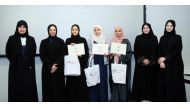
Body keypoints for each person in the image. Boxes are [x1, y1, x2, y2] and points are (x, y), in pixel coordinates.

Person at [6, 20, 38, 102]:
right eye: (20, 27)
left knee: (28, 89)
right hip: (15, 68)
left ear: (27, 28)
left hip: (28, 68)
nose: (22, 29)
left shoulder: (31, 39)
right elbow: (8, 52)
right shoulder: (11, 38)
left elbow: (33, 52)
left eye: (24, 27)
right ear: (17, 28)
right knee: (16, 89)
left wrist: (28, 62)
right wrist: (15, 60)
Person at [157, 20, 186, 102]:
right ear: (165, 26)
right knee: (164, 86)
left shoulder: (178, 37)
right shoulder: (162, 38)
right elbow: (159, 51)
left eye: (171, 26)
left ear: (174, 27)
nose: (169, 27)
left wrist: (165, 58)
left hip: (175, 66)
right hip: (164, 65)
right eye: (167, 25)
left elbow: (177, 51)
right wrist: (161, 61)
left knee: (174, 86)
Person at [132, 23, 158, 102]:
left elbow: (156, 50)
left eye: (147, 28)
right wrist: (143, 60)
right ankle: (142, 98)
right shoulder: (138, 38)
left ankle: (150, 98)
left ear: (150, 29)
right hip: (141, 65)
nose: (146, 29)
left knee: (151, 81)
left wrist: (149, 60)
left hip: (151, 65)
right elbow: (136, 50)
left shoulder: (154, 38)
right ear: (142, 29)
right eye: (144, 28)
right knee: (141, 81)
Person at [40, 24, 66, 102]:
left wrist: (55, 65)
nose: (52, 31)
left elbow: (62, 54)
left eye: (54, 30)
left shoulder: (61, 41)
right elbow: (42, 55)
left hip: (58, 69)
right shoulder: (43, 42)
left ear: (56, 31)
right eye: (51, 30)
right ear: (48, 31)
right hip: (47, 70)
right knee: (48, 90)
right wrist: (51, 65)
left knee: (58, 90)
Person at [65, 24, 89, 101]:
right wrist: (69, 46)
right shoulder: (68, 40)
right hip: (71, 68)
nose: (74, 31)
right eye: (73, 29)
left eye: (76, 29)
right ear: (71, 31)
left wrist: (81, 55)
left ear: (78, 31)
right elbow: (65, 53)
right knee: (71, 86)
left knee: (80, 86)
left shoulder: (83, 40)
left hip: (80, 68)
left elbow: (86, 53)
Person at [109, 26, 132, 102]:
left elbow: (129, 54)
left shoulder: (126, 41)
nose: (118, 32)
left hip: (123, 66)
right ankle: (115, 99)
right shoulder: (112, 42)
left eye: (119, 30)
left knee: (123, 82)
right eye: (116, 31)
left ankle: (123, 99)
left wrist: (121, 55)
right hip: (114, 65)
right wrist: (111, 55)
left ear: (122, 32)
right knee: (115, 82)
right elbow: (110, 56)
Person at [87, 25, 108, 101]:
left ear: (101, 30)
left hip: (102, 61)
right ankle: (94, 99)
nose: (97, 31)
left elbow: (108, 49)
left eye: (98, 29)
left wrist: (107, 53)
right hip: (94, 60)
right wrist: (91, 53)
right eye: (95, 30)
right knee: (94, 79)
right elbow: (88, 49)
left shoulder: (105, 38)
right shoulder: (90, 39)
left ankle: (103, 99)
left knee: (102, 80)